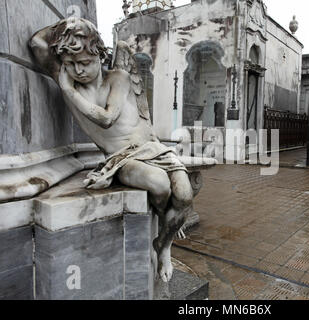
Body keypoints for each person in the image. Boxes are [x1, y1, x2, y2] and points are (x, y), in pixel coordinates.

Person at [30, 17, 193, 282]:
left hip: (153, 147)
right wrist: (69, 29)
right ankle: (166, 230)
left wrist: (68, 88)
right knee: (160, 185)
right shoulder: (69, 81)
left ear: (99, 55)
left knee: (185, 195)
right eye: (70, 65)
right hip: (122, 158)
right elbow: (37, 43)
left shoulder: (118, 77)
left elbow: (107, 117)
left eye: (85, 62)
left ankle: (164, 244)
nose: (78, 71)